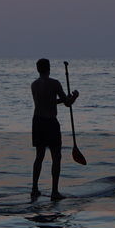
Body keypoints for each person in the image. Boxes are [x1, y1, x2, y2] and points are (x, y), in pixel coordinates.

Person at [31, 58, 79, 200]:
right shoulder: (54, 83)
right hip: (51, 123)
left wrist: (63, 99)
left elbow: (48, 102)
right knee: (56, 157)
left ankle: (34, 189)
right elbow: (68, 104)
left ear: (38, 69)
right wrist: (74, 96)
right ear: (49, 68)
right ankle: (54, 192)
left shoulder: (34, 84)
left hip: (37, 122)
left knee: (39, 157)